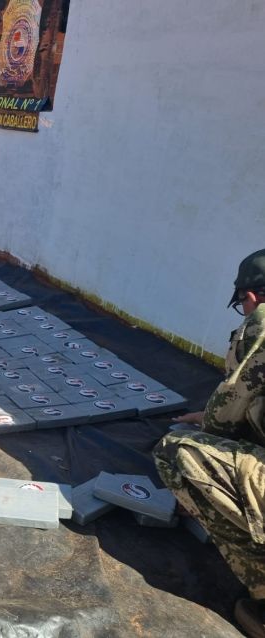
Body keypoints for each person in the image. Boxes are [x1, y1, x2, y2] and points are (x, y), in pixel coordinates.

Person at [154, 248, 265, 638]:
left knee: (177, 451)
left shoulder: (263, 323)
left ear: (250, 297)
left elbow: (223, 419)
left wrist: (201, 491)